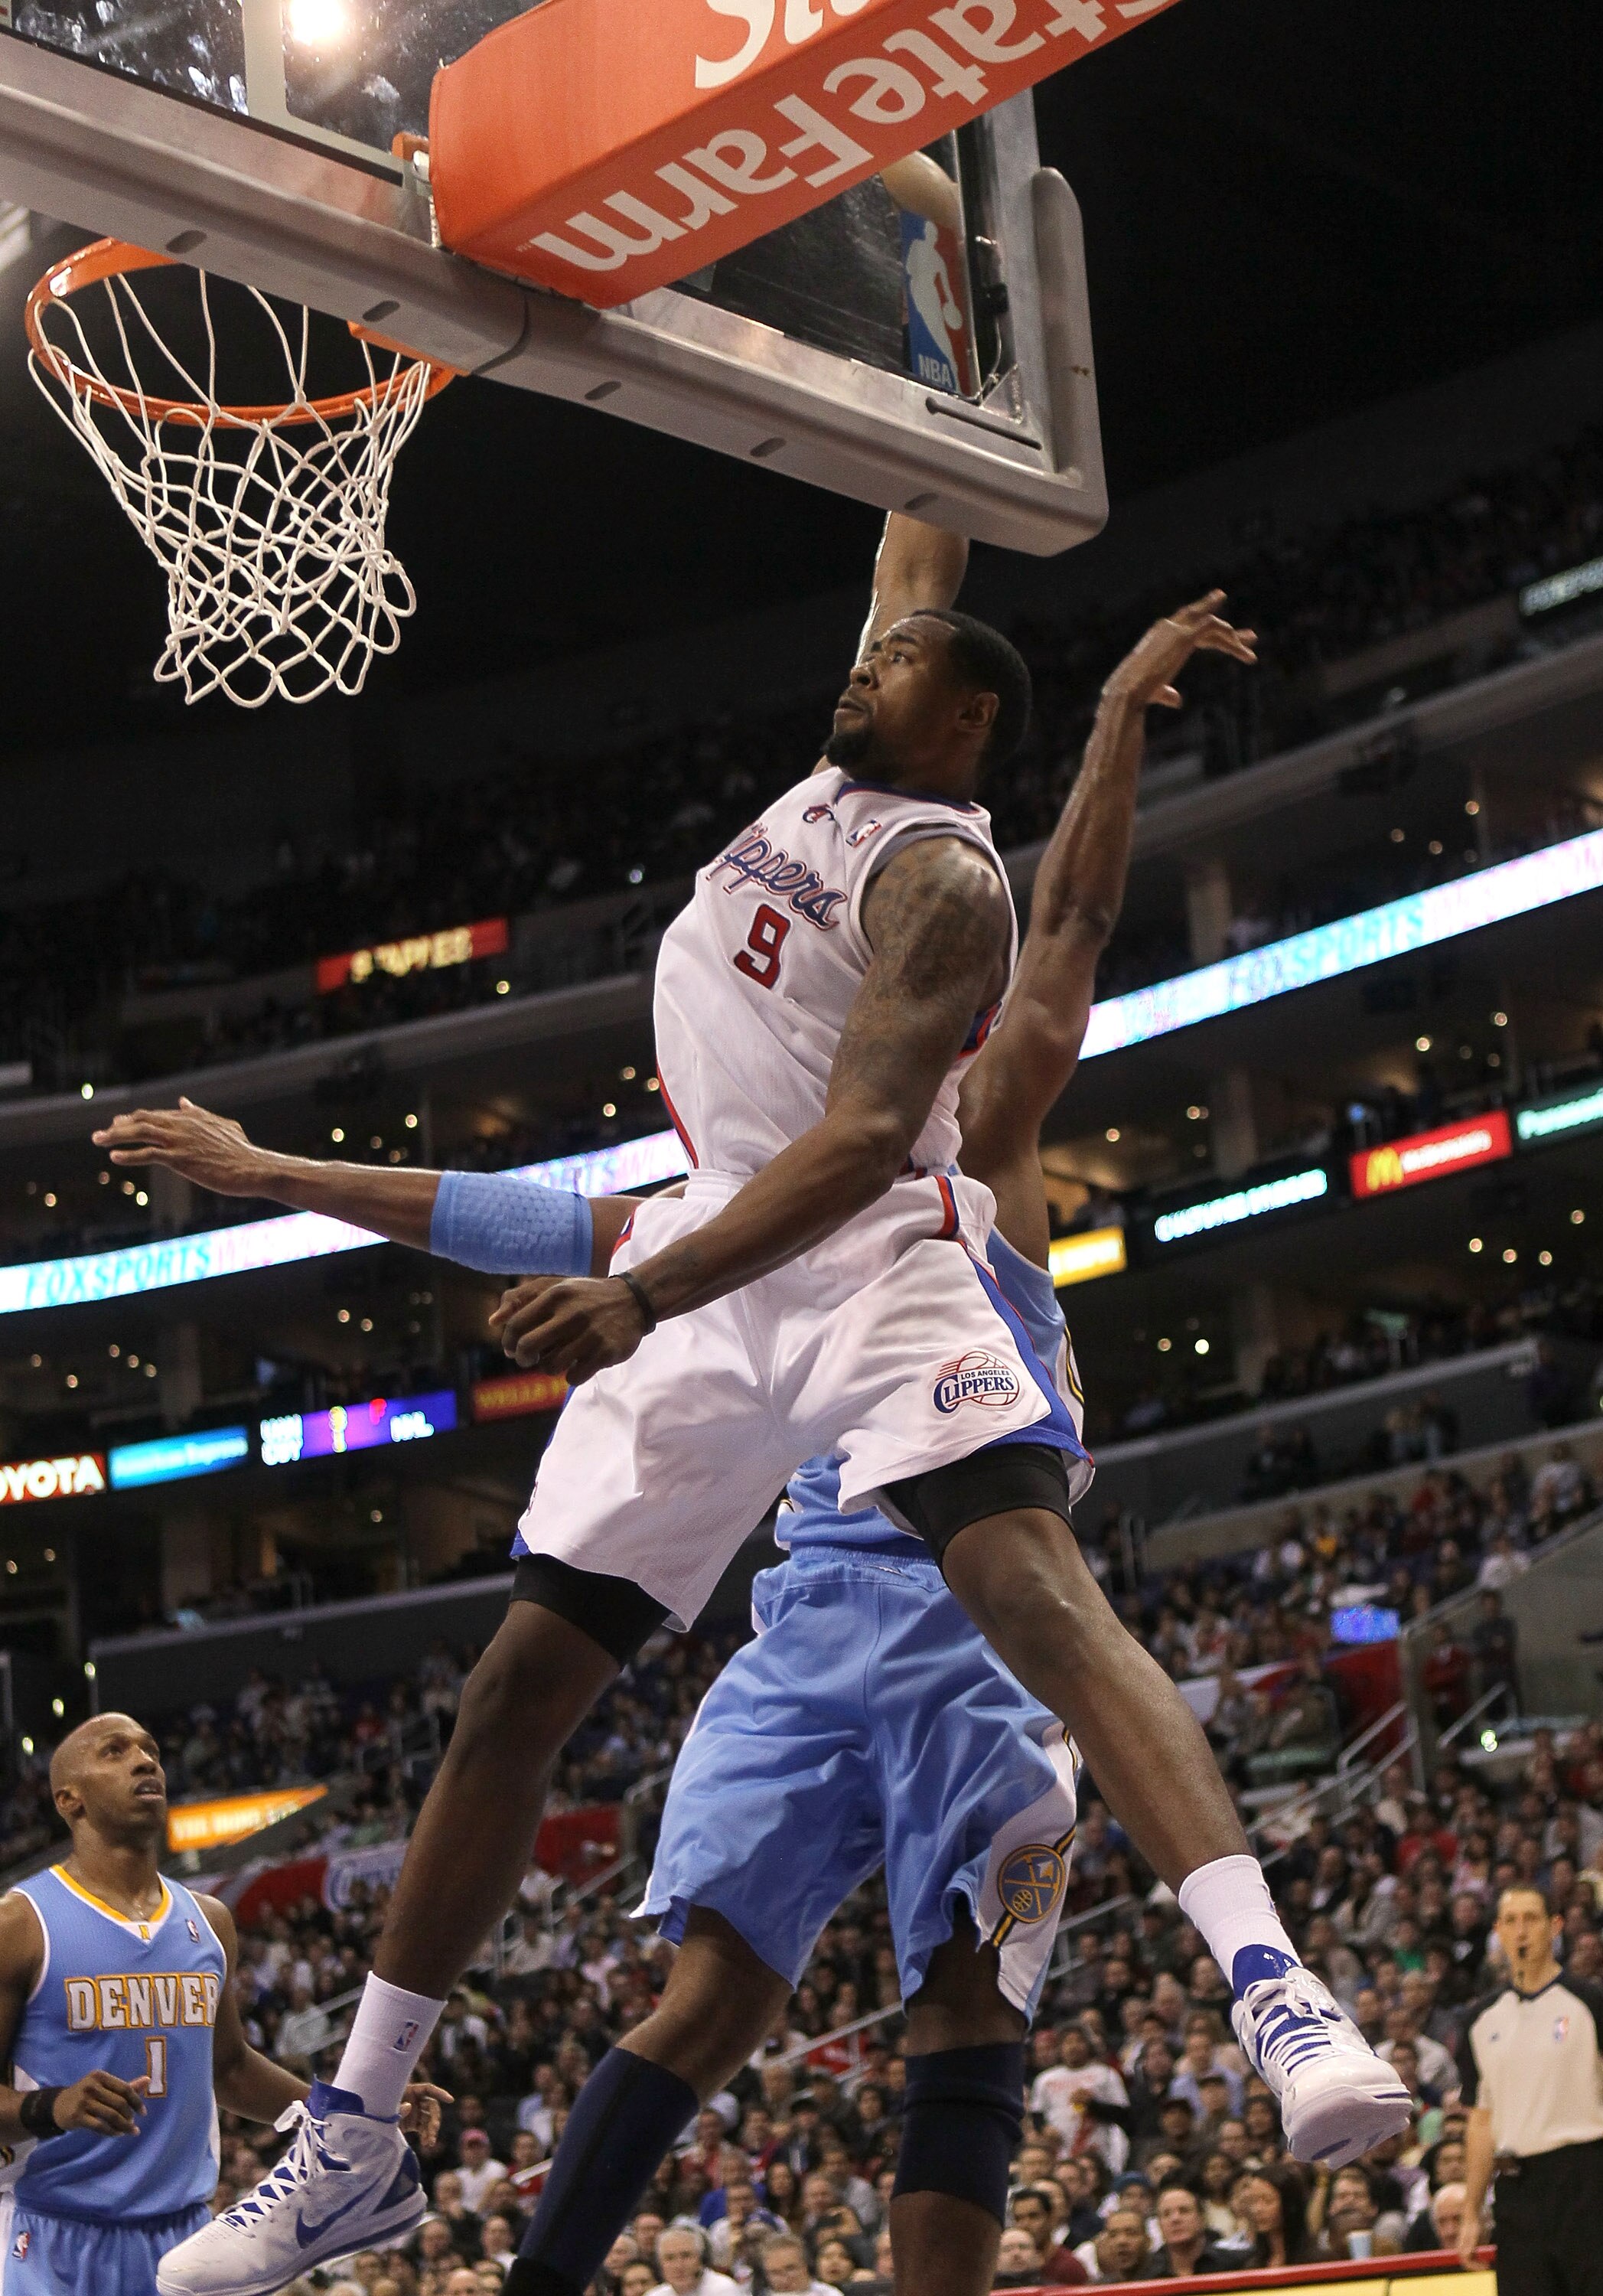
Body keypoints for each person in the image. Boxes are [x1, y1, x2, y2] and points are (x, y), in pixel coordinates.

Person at [112, 529, 1397, 2296]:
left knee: (968, 1982)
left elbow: (1076, 922)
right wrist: (264, 1165)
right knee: (695, 1962)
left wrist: (1109, 714)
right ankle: (426, 2195)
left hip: (964, 1609)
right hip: (811, 1592)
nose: (858, 677)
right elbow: (549, 1214)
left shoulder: (987, 1118)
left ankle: (1273, 1992)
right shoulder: (786, 992)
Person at [0, 1712, 441, 2296]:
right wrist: (49, 2106)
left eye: (150, 1748)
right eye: (115, 1751)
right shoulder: (20, 1924)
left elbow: (229, 2069)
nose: (144, 1761)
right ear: (69, 1800)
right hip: (52, 2236)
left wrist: (351, 2110)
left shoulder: (208, 1922)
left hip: (185, 2239)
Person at [1455, 1885, 1603, 2293]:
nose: (1522, 1931)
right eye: (1512, 1921)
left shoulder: (1589, 2003)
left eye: (1532, 1919)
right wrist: (1470, 2210)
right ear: (1499, 1931)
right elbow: (1481, 2122)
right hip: (1516, 2189)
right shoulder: (1479, 2020)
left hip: (1586, 2180)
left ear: (1555, 1927)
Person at [1145, 2184, 1236, 2278]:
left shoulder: (1234, 2264)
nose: (1175, 2219)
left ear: (1202, 2218)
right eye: (1166, 2214)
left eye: (1184, 2211)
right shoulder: (1145, 2273)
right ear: (1159, 2225)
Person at [645, 2227, 736, 2296]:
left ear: (701, 2260)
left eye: (686, 2256)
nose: (678, 2265)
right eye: (670, 2258)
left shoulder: (724, 2290)